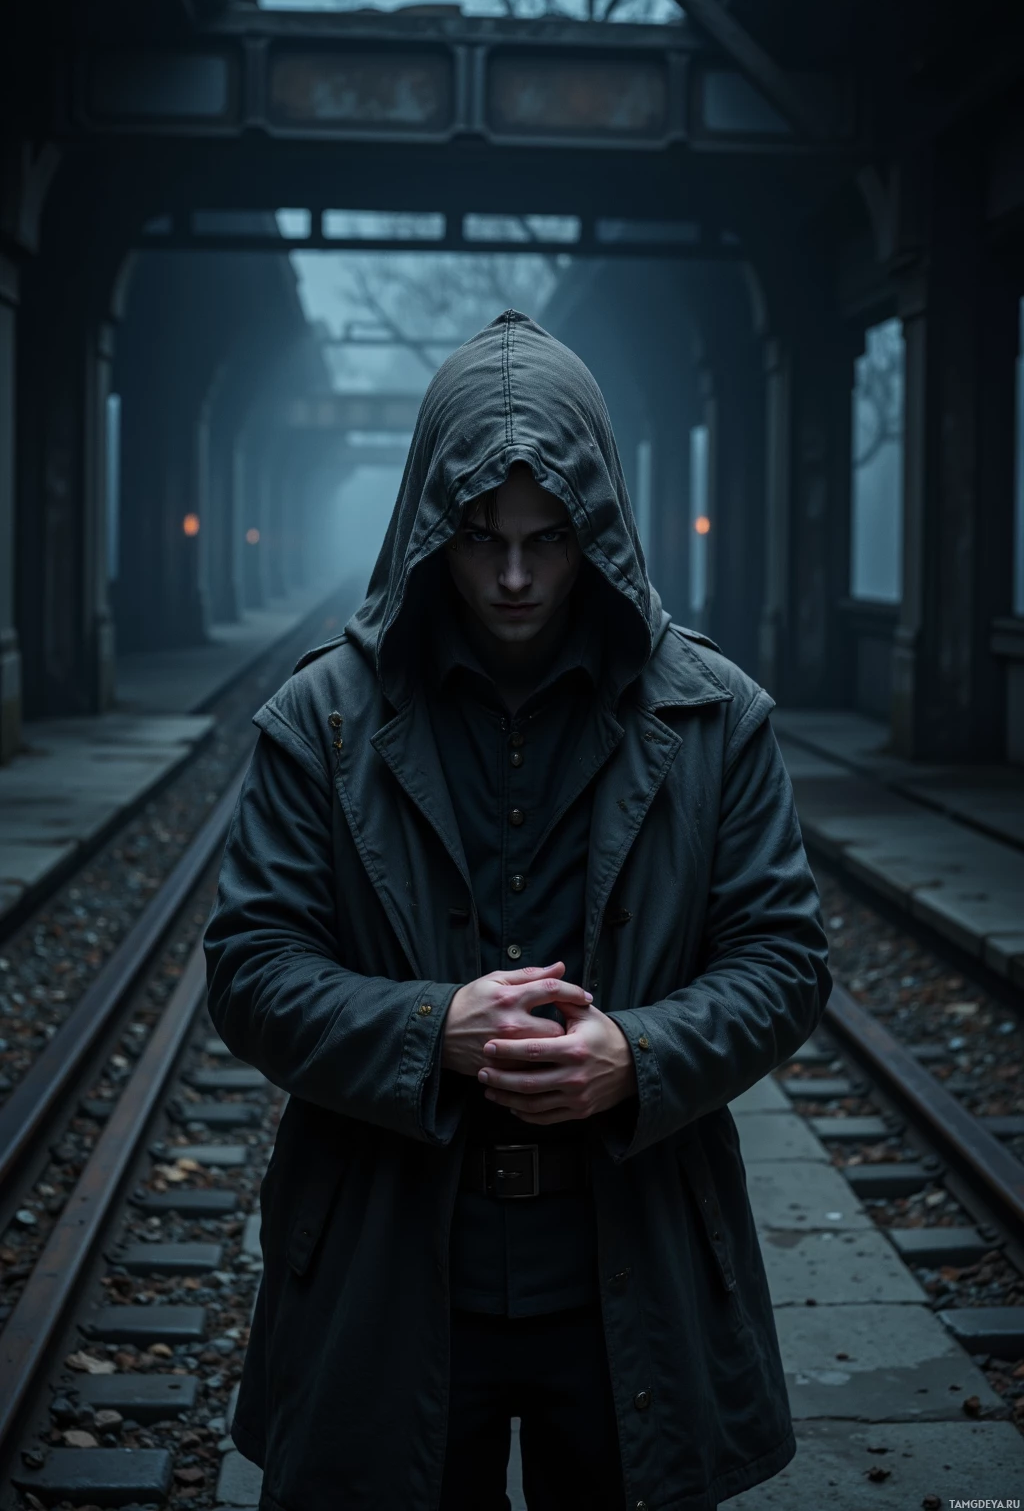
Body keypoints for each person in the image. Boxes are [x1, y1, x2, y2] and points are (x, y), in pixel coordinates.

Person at [205, 310, 831, 1511]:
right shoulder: (318, 719)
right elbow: (249, 966)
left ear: (597, 527)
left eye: (548, 541)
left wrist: (636, 1054)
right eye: (480, 538)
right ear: (428, 526)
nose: (511, 577)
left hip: (629, 1266)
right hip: (390, 1268)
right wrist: (428, 1027)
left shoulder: (714, 714)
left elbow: (784, 960)